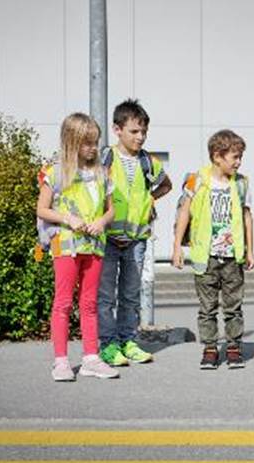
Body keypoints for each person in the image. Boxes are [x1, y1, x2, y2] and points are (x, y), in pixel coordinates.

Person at [36, 113, 119, 381]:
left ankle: (91, 359)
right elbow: (42, 209)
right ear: (71, 142)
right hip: (66, 245)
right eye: (86, 143)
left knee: (89, 303)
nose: (93, 148)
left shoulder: (102, 173)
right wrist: (67, 218)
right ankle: (60, 362)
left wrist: (101, 222)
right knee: (62, 303)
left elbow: (111, 211)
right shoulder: (56, 172)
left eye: (95, 142)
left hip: (94, 245)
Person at [97, 99, 172, 367]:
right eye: (134, 132)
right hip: (107, 239)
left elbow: (166, 185)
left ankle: (128, 341)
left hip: (136, 240)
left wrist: (150, 199)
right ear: (117, 130)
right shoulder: (105, 158)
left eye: (144, 132)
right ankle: (107, 345)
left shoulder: (147, 161)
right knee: (105, 297)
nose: (140, 137)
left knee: (130, 295)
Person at [172, 130, 254, 370]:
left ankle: (233, 347)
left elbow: (247, 217)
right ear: (217, 156)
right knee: (207, 308)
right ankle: (210, 348)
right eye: (235, 157)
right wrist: (177, 246)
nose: (238, 162)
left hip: (233, 256)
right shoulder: (196, 180)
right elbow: (184, 213)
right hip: (204, 256)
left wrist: (250, 250)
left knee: (233, 306)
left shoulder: (241, 183)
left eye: (240, 157)